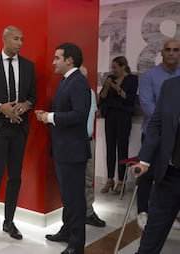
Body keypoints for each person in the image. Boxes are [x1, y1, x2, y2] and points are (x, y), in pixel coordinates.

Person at [0, 25, 36, 249]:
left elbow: (33, 97)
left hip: (19, 129)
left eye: (22, 39)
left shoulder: (28, 66)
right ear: (5, 39)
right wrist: (1, 107)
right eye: (16, 38)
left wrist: (26, 105)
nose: (20, 43)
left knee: (15, 178)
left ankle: (9, 222)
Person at [36, 43, 91, 254]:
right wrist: (48, 115)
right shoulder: (67, 80)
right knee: (68, 197)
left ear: (69, 60)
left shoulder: (77, 82)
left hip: (73, 152)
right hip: (64, 150)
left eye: (57, 58)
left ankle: (77, 245)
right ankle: (67, 231)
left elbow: (79, 115)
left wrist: (49, 117)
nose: (53, 62)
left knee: (75, 200)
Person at [131, 75, 180, 254]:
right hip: (169, 174)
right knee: (151, 238)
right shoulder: (171, 86)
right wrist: (144, 160)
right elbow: (156, 124)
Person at [137, 39, 180, 230]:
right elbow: (147, 106)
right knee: (148, 175)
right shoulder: (149, 76)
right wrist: (167, 125)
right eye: (168, 50)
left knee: (173, 175)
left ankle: (173, 213)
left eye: (176, 50)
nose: (172, 53)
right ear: (161, 53)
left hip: (177, 140)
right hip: (153, 135)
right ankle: (142, 211)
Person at [98, 56, 138, 195]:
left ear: (123, 66)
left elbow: (129, 98)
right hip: (110, 116)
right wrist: (108, 86)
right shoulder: (110, 78)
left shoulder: (132, 79)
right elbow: (102, 97)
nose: (113, 70)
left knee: (122, 148)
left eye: (115, 67)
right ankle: (110, 179)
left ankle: (121, 181)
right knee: (110, 148)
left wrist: (117, 89)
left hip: (124, 116)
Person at [79, 65, 106, 228]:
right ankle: (76, 215)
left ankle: (88, 212)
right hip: (76, 142)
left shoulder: (90, 93)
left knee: (88, 179)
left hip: (89, 141)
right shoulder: (70, 93)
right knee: (74, 181)